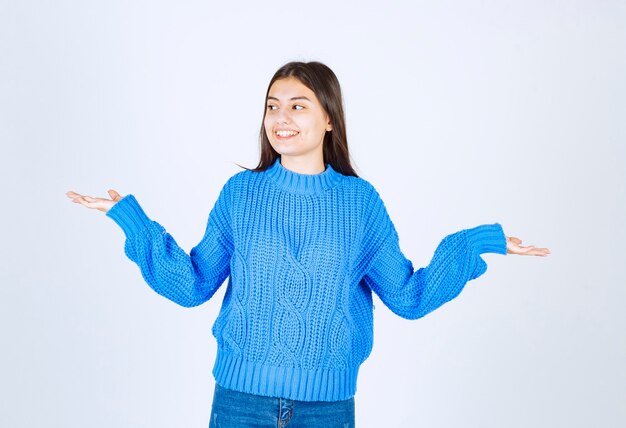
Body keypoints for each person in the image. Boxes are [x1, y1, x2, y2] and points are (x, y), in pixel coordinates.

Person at [66, 61, 550, 427]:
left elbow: (408, 296)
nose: (281, 117)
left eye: (298, 105)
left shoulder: (359, 203)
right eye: (272, 105)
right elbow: (192, 285)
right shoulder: (241, 194)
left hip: (328, 408)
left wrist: (474, 244)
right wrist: (130, 220)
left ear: (329, 119)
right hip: (239, 401)